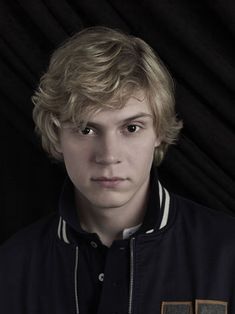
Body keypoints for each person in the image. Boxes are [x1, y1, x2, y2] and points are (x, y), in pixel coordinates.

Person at [0, 26, 234, 314]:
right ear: (56, 135)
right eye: (86, 129)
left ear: (159, 130)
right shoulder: (12, 266)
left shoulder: (228, 252)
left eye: (131, 128)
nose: (109, 156)